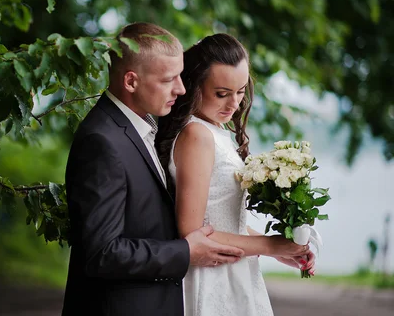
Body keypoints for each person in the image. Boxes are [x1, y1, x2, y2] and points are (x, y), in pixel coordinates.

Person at [61, 23, 246, 316]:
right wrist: (185, 252)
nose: (182, 88)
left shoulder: (141, 128)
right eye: (169, 79)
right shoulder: (102, 141)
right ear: (131, 81)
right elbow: (102, 254)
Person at [156, 33, 315, 316]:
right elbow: (193, 231)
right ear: (194, 86)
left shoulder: (214, 131)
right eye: (222, 93)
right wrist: (270, 244)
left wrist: (281, 250)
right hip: (213, 274)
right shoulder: (197, 135)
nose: (234, 104)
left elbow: (225, 221)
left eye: (241, 91)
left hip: (233, 268)